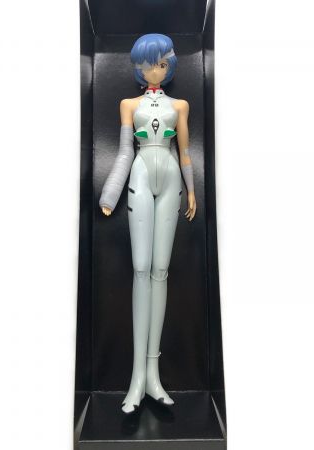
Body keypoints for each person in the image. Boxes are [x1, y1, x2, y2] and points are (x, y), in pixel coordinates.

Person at [99, 33, 196, 414]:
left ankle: (153, 377)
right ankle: (136, 378)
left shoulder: (180, 106)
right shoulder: (129, 105)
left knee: (160, 271)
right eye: (147, 64)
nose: (153, 70)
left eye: (160, 63)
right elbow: (125, 152)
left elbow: (184, 152)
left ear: (169, 65)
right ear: (138, 68)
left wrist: (192, 190)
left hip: (171, 180)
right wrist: (110, 194)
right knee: (141, 269)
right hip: (140, 176)